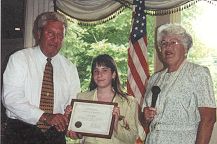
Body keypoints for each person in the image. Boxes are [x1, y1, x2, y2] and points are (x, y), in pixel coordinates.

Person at [2, 12, 80, 144]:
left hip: (56, 135)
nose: (56, 40)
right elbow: (11, 98)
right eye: (51, 33)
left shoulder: (70, 67)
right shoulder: (20, 59)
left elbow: (74, 102)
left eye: (60, 35)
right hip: (21, 133)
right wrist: (45, 116)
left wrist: (73, 122)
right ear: (38, 34)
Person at [142, 23, 216, 144]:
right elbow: (146, 121)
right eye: (164, 43)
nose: (168, 47)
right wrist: (145, 116)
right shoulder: (154, 79)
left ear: (185, 48)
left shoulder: (198, 73)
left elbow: (209, 119)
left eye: (173, 42)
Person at [65, 54, 145, 144]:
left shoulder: (129, 102)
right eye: (96, 71)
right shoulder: (81, 98)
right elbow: (75, 134)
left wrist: (115, 126)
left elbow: (132, 139)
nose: (99, 75)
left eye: (104, 70)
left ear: (113, 74)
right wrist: (70, 121)